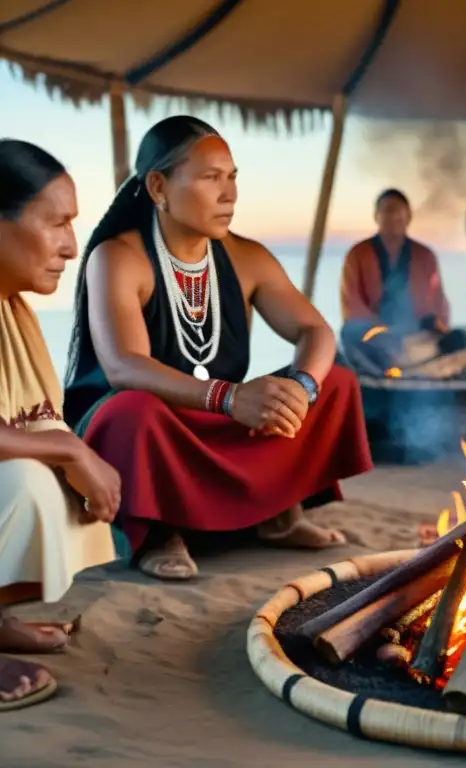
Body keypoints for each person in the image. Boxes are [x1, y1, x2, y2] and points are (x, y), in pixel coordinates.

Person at [63, 116, 373, 582]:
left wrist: (301, 388)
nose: (229, 194)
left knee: (337, 381)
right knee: (132, 411)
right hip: (152, 426)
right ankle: (160, 531)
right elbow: (123, 367)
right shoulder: (118, 257)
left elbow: (315, 330)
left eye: (232, 177)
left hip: (221, 420)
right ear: (158, 186)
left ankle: (276, 514)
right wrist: (230, 398)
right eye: (211, 178)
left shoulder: (247, 256)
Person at [0, 140, 117, 710]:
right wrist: (71, 452)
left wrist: (68, 451)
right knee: (25, 480)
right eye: (57, 224)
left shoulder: (9, 307)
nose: (72, 246)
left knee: (45, 473)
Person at [340, 188, 466, 375]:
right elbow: (351, 304)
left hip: (415, 332)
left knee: (460, 339)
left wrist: (436, 324)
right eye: (387, 210)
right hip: (377, 335)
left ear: (408, 216)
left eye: (398, 210)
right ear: (377, 216)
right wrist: (382, 330)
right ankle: (394, 363)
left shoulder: (425, 255)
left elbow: (438, 301)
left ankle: (413, 361)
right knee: (349, 332)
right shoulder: (358, 254)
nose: (393, 216)